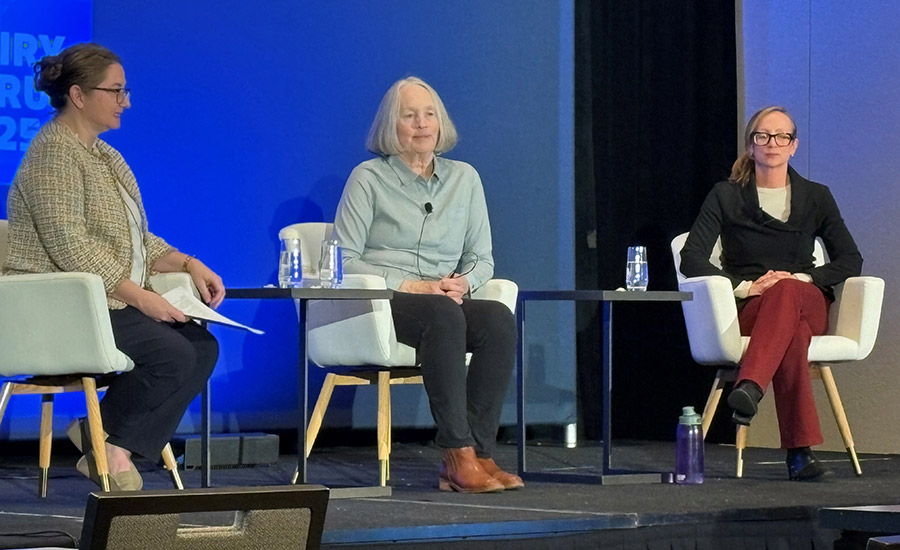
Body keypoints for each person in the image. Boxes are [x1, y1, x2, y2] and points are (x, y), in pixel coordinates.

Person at [3, 43, 225, 491]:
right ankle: (109, 445)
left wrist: (188, 262)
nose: (127, 101)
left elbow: (137, 238)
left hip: (103, 302)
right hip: (55, 309)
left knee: (202, 347)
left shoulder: (106, 156)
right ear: (80, 95)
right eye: (117, 91)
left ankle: (107, 441)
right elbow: (70, 246)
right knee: (172, 353)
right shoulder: (53, 153)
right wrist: (142, 296)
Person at [332, 77, 521, 493]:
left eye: (429, 114)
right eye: (409, 115)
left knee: (497, 319)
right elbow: (342, 260)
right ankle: (457, 453)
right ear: (390, 126)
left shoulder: (465, 179)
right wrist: (411, 286)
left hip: (442, 299)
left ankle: (481, 453)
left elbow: (480, 257)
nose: (421, 124)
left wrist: (464, 282)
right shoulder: (368, 178)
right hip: (384, 302)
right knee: (441, 314)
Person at [680, 106, 862, 481]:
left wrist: (804, 279)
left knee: (788, 293)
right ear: (751, 146)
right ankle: (799, 455)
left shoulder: (816, 197)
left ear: (793, 146)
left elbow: (850, 259)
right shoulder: (726, 196)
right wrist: (744, 286)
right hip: (754, 306)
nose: (772, 143)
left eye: (781, 137)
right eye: (763, 136)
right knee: (789, 333)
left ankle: (750, 385)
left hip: (808, 300)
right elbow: (691, 257)